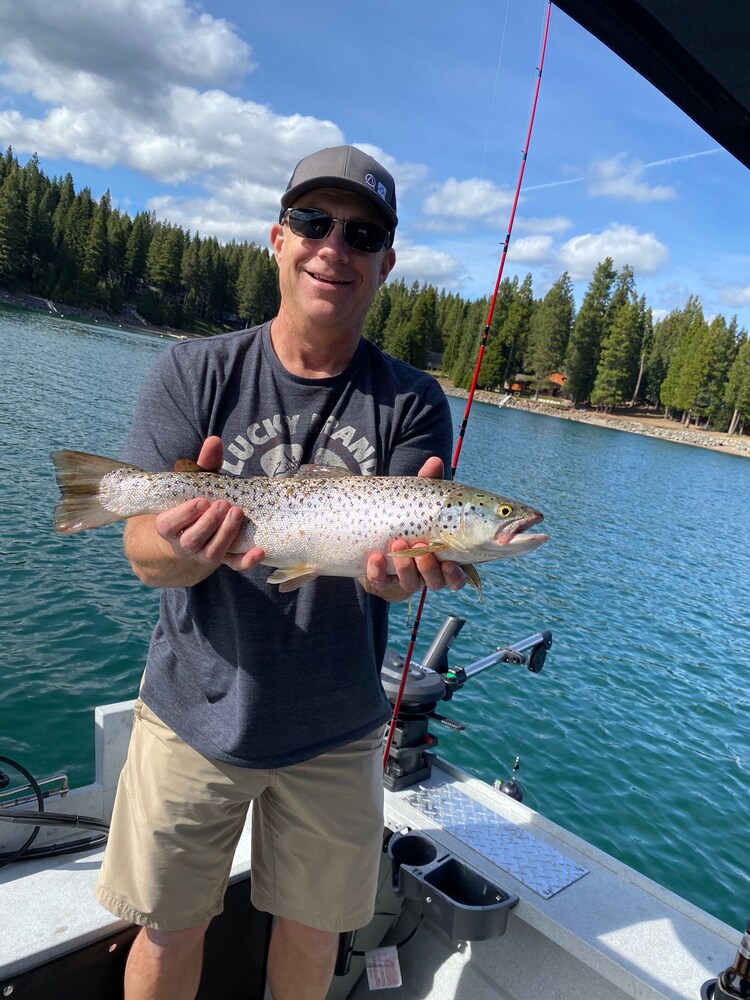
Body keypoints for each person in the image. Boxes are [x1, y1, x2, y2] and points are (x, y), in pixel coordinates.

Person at [95, 144, 465, 1000]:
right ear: (277, 238)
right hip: (194, 711)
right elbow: (143, 555)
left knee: (312, 937)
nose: (335, 246)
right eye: (314, 222)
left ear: (386, 263)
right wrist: (183, 543)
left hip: (337, 729)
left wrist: (395, 576)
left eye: (362, 232)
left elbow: (383, 575)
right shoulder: (195, 371)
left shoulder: (412, 402)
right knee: (167, 927)